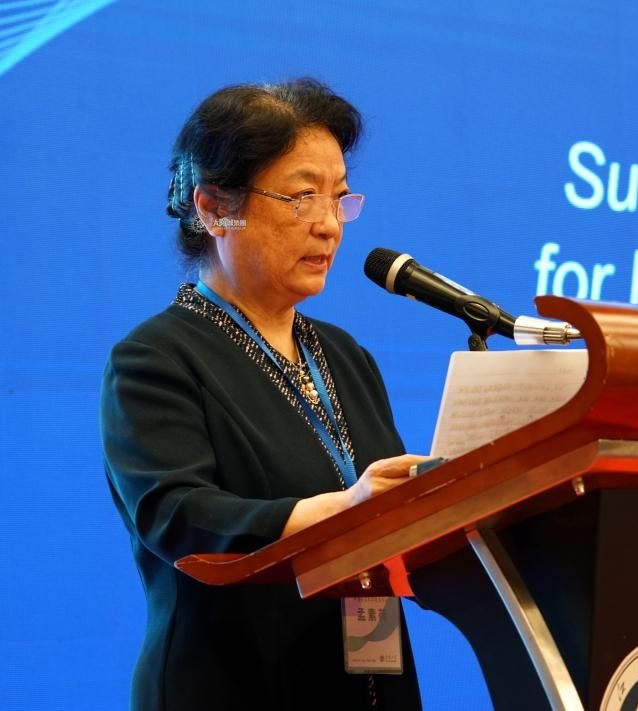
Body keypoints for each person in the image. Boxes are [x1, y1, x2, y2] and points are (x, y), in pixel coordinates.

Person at [100, 78, 424, 710]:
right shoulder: (154, 359)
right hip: (231, 685)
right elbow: (177, 515)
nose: (329, 225)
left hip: (369, 681)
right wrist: (342, 509)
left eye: (339, 198)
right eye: (302, 197)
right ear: (214, 208)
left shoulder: (346, 356)